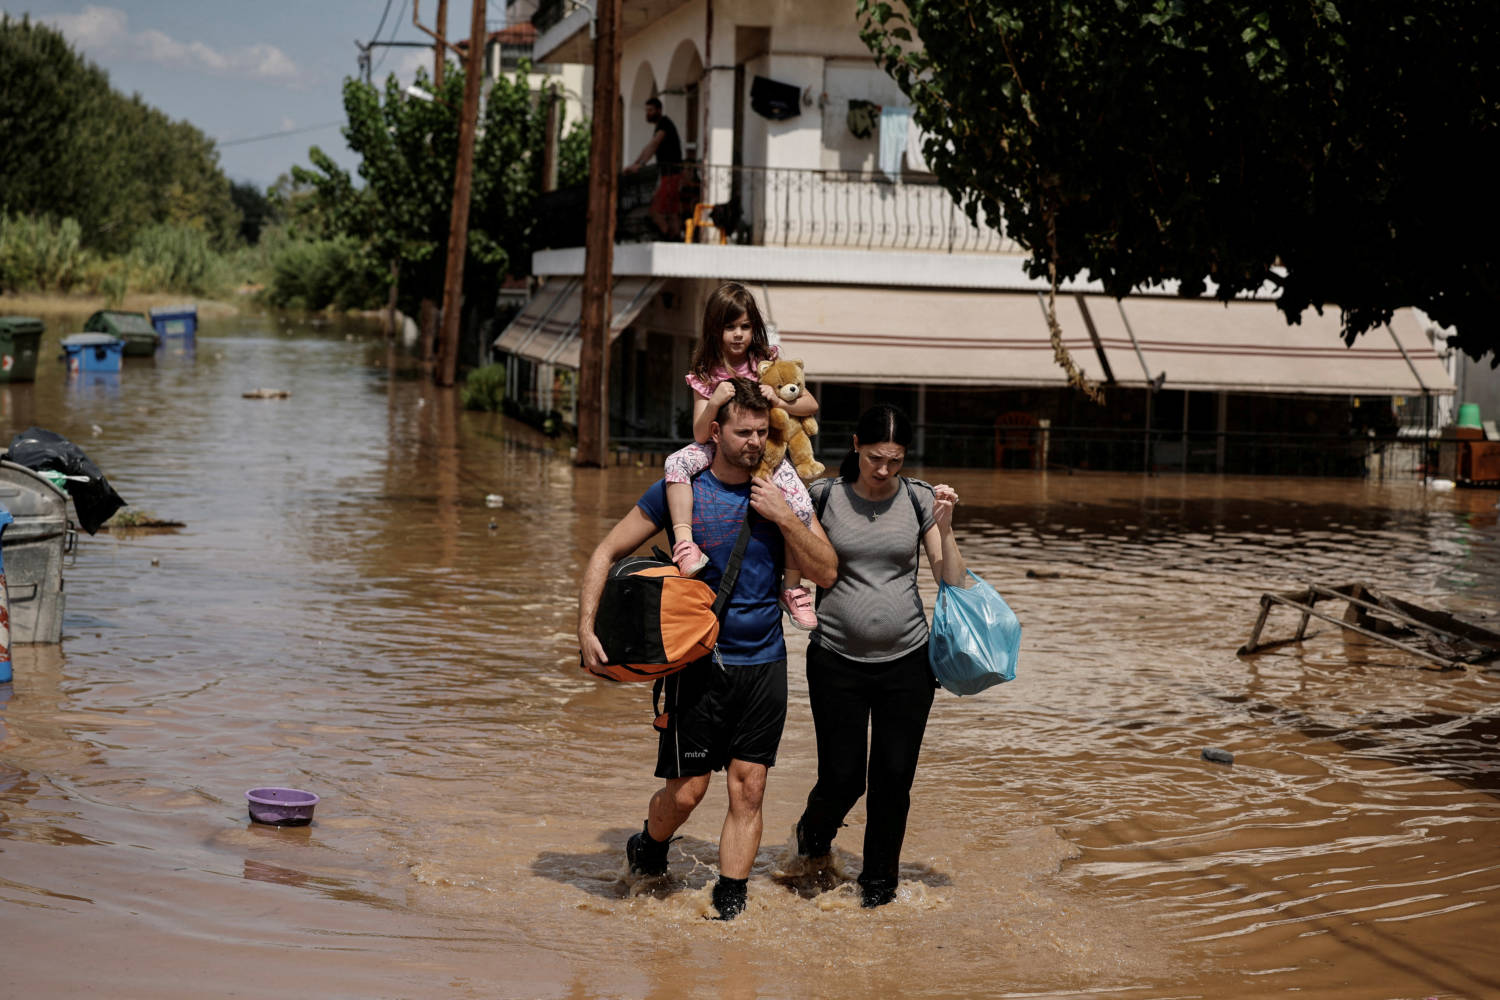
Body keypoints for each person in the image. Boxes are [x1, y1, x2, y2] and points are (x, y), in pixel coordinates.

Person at [578, 380, 837, 921]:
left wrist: (787, 517)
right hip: (695, 666)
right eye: (743, 432)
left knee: (750, 788)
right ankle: (648, 845)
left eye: (762, 433)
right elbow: (606, 551)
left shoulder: (781, 492)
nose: (753, 443)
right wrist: (586, 628)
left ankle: (730, 902)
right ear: (715, 431)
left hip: (764, 663)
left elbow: (827, 569)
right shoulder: (683, 489)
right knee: (689, 792)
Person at [792, 403, 969, 908]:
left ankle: (877, 889)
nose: (884, 469)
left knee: (893, 782)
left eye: (894, 460)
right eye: (875, 458)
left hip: (909, 663)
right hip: (835, 660)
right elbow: (795, 563)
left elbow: (950, 578)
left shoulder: (918, 499)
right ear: (855, 446)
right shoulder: (823, 496)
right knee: (843, 778)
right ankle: (811, 842)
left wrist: (947, 526)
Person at [664, 282, 823, 631]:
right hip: (718, 445)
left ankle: (793, 587)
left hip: (768, 450)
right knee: (675, 463)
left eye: (745, 326)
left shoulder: (767, 362)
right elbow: (700, 433)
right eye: (729, 326)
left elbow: (810, 404)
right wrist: (717, 400)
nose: (737, 335)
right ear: (715, 329)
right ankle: (685, 545)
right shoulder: (706, 373)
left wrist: (778, 399)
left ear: (754, 329)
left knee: (798, 502)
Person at [623, 97, 684, 239]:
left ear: (659, 110)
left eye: (650, 110)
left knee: (655, 211)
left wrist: (640, 165)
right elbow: (649, 147)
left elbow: (654, 145)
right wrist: (636, 163)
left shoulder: (664, 125)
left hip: (670, 175)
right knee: (672, 212)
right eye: (646, 110)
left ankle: (668, 237)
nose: (648, 113)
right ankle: (675, 237)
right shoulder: (661, 126)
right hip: (670, 174)